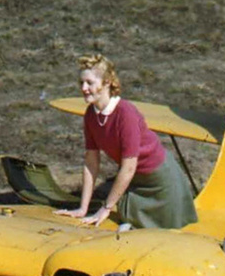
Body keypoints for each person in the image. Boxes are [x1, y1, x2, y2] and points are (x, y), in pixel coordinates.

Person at [54, 54, 198, 230]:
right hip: (135, 181)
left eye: (90, 83)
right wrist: (83, 208)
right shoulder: (91, 115)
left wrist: (106, 207)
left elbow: (128, 167)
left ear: (107, 82)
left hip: (161, 182)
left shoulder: (125, 114)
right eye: (81, 83)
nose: (84, 88)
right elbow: (91, 162)